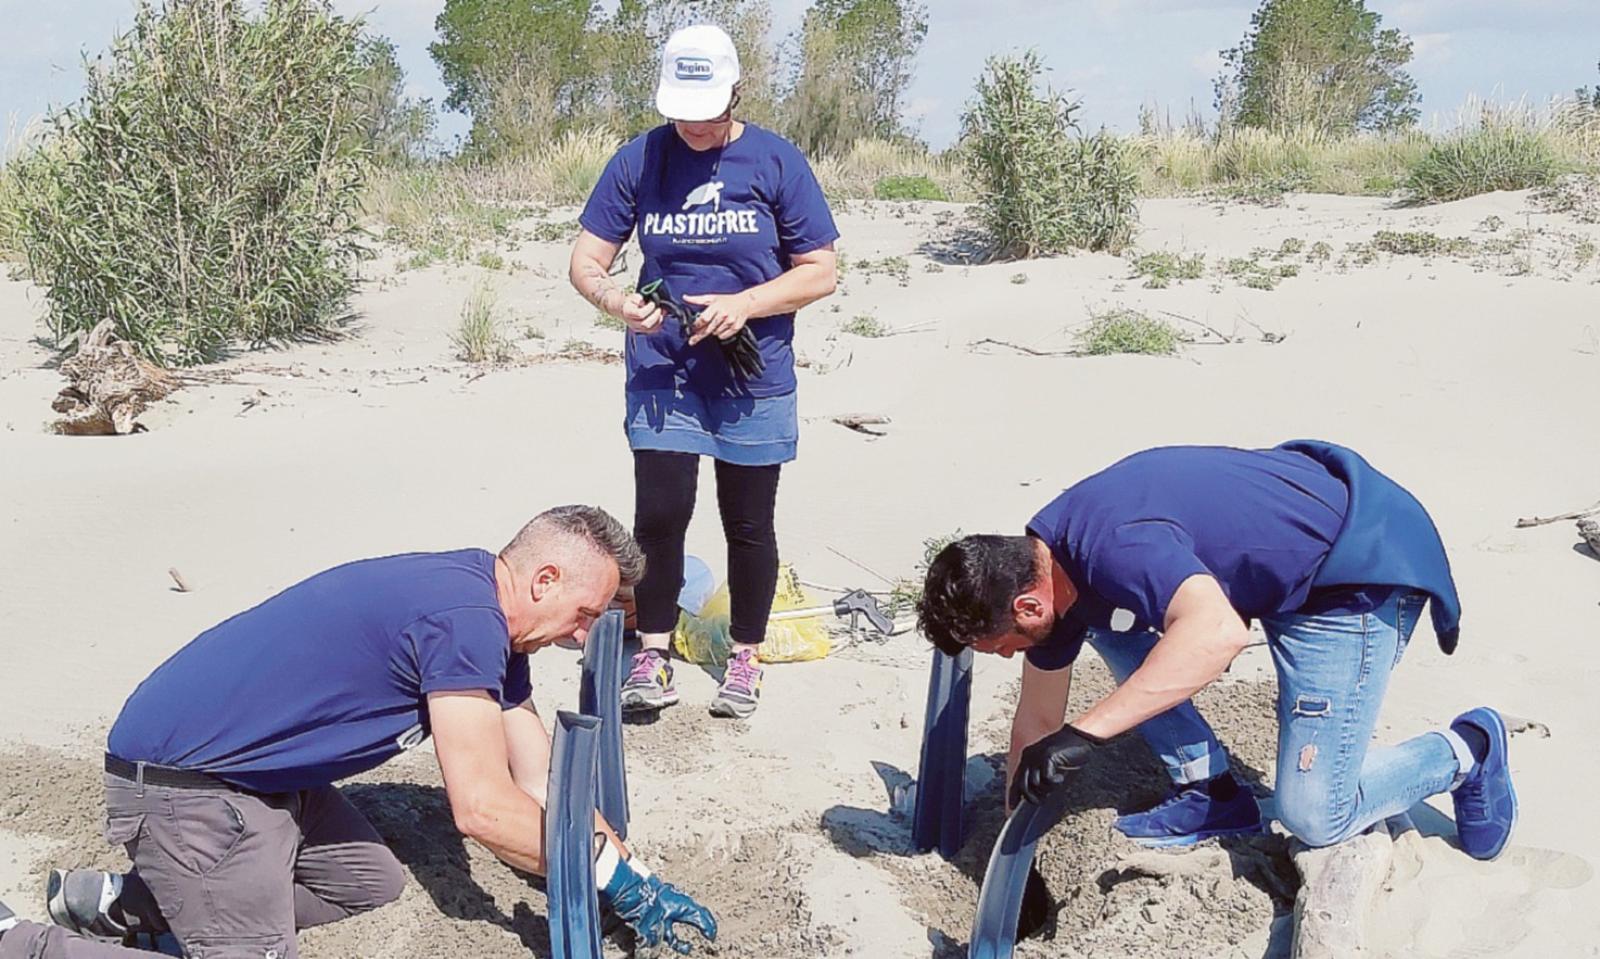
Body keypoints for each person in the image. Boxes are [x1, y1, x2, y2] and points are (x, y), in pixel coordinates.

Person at [0, 506, 718, 958]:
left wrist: (630, 871)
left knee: (364, 881)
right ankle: (21, 939)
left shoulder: (493, 622)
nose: (583, 635)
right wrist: (607, 876)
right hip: (184, 783)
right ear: (545, 579)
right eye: (587, 613)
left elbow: (537, 776)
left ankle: (122, 901)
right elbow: (481, 808)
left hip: (262, 775)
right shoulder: (465, 620)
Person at [915, 441, 1517, 858]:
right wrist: (1016, 846)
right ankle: (1212, 792)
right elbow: (1038, 721)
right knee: (1112, 624)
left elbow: (1219, 635)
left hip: (1353, 573)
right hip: (1277, 567)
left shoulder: (1115, 548)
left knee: (1314, 816)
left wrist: (1088, 733)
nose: (1005, 657)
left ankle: (1468, 749)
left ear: (1027, 607)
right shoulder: (1048, 570)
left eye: (1001, 646)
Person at [568, 24, 839, 720]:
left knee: (748, 521)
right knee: (660, 517)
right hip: (664, 370)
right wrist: (616, 300)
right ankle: (652, 653)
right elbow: (586, 261)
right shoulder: (639, 160)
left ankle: (745, 654)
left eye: (707, 111)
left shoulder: (776, 161)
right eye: (681, 112)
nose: (693, 125)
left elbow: (821, 271)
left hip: (753, 376)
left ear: (735, 93)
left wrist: (745, 305)